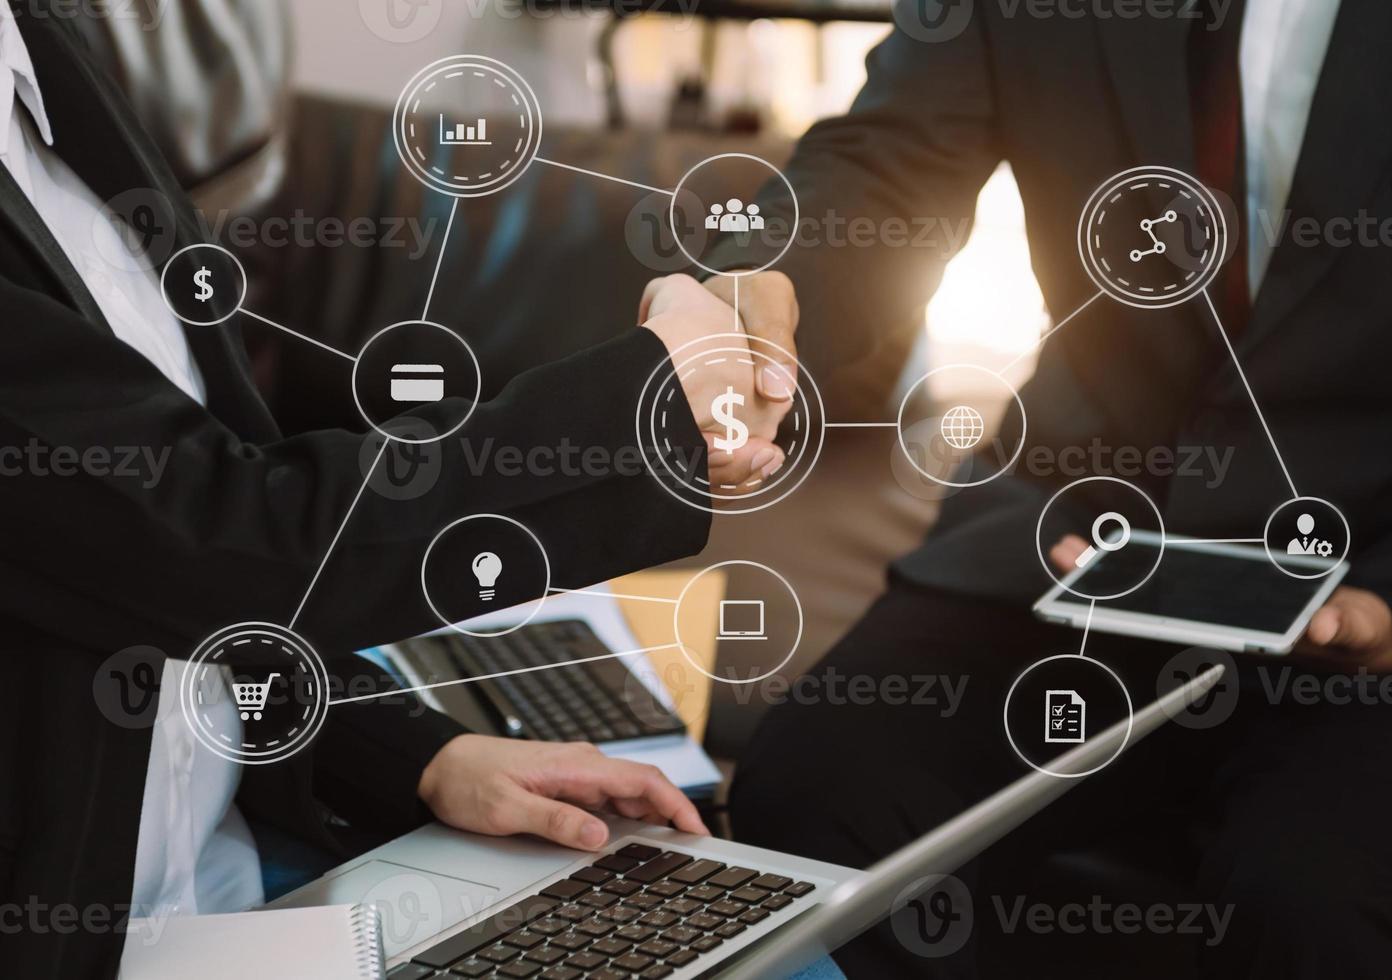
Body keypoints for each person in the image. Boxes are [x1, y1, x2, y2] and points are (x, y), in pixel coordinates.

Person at [0, 6, 796, 977]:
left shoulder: (44, 54)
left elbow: (135, 556)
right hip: (83, 934)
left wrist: (414, 753)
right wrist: (644, 406)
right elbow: (220, 535)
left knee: (768, 931)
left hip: (243, 876)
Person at [701, 1, 1392, 977]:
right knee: (818, 789)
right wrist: (757, 288)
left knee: (1309, 895)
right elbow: (882, 165)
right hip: (1072, 533)